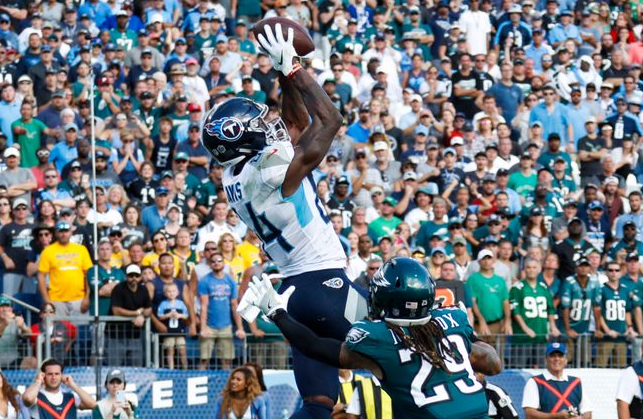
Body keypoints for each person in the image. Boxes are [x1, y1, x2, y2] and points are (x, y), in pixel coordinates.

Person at [205, 23, 367, 418]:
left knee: (319, 403)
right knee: (407, 358)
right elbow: (328, 121)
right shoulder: (271, 172)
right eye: (259, 123)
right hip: (326, 285)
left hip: (293, 295)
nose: (269, 124)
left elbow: (292, 127)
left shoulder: (235, 174)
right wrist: (294, 70)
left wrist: (283, 71)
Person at [243, 257, 502, 419]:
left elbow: (314, 346)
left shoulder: (380, 338)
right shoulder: (452, 321)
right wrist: (466, 333)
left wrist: (278, 313)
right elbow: (493, 365)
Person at [198, 252, 245, 370]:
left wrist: (240, 328)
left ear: (224, 263)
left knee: (227, 361)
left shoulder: (231, 281)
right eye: (213, 261)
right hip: (209, 325)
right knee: (204, 359)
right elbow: (204, 305)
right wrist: (203, 328)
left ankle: (227, 385)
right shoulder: (205, 281)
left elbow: (235, 305)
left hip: (226, 326)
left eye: (219, 260)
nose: (216, 263)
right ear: (210, 264)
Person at [521, 342, 592, 419]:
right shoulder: (535, 382)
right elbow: (529, 414)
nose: (557, 359)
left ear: (566, 360)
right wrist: (557, 416)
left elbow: (587, 411)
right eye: (552, 356)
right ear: (546, 359)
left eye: (560, 356)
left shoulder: (576, 382)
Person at [37, 221, 93, 316]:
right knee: (59, 330)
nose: (63, 234)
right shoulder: (48, 251)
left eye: (66, 231)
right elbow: (41, 276)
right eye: (61, 231)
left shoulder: (81, 249)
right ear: (56, 233)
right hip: (57, 300)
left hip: (79, 299)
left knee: (81, 330)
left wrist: (87, 297)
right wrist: (47, 300)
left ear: (71, 232)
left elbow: (89, 274)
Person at [107, 264, 152, 367]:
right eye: (131, 276)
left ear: (140, 277)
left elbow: (149, 309)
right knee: (114, 367)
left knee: (136, 368)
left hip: (135, 335)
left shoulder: (143, 289)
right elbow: (116, 311)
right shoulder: (119, 288)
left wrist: (142, 316)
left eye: (136, 276)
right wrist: (136, 313)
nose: (134, 278)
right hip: (116, 335)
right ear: (126, 276)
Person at [22, 358, 97, 418]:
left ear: (61, 375)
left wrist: (73, 385)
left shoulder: (70, 397)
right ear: (43, 376)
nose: (54, 377)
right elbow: (27, 398)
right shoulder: (36, 397)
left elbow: (92, 404)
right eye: (50, 374)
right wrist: (38, 381)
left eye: (57, 374)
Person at [0, 295, 35, 370]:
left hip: (14, 359)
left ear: (11, 309)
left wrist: (22, 327)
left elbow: (29, 335)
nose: (4, 310)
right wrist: (4, 324)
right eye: (1, 307)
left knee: (32, 361)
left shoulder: (16, 321)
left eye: (7, 307)